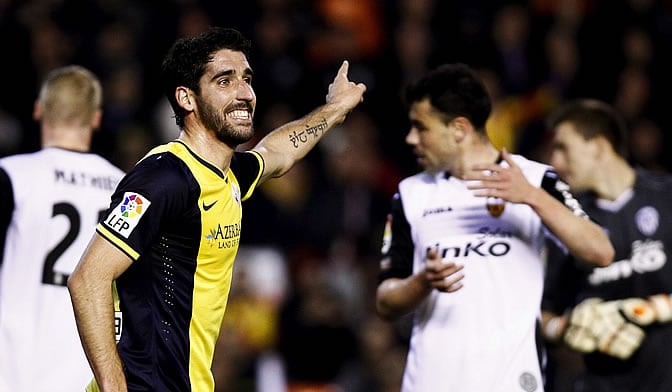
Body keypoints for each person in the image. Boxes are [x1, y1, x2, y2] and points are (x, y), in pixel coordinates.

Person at [67, 26, 366, 392]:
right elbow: (87, 278)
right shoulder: (163, 179)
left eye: (246, 79)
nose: (244, 94)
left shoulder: (229, 176)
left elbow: (278, 152)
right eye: (224, 81)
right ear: (186, 99)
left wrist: (335, 108)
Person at [374, 63, 614, 392]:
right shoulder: (411, 194)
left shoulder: (534, 180)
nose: (410, 138)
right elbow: (385, 301)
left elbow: (600, 251)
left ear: (459, 129)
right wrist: (421, 282)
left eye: (420, 127)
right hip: (430, 382)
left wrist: (531, 198)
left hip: (510, 383)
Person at [0, 65, 124, 391]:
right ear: (95, 118)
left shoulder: (13, 175)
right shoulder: (125, 189)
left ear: (39, 110)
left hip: (14, 367)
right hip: (89, 371)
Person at [540, 99, 672, 392]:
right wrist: (564, 327)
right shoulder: (569, 224)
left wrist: (652, 308)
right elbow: (542, 312)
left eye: (563, 147)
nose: (555, 163)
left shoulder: (666, 196)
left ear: (599, 146)